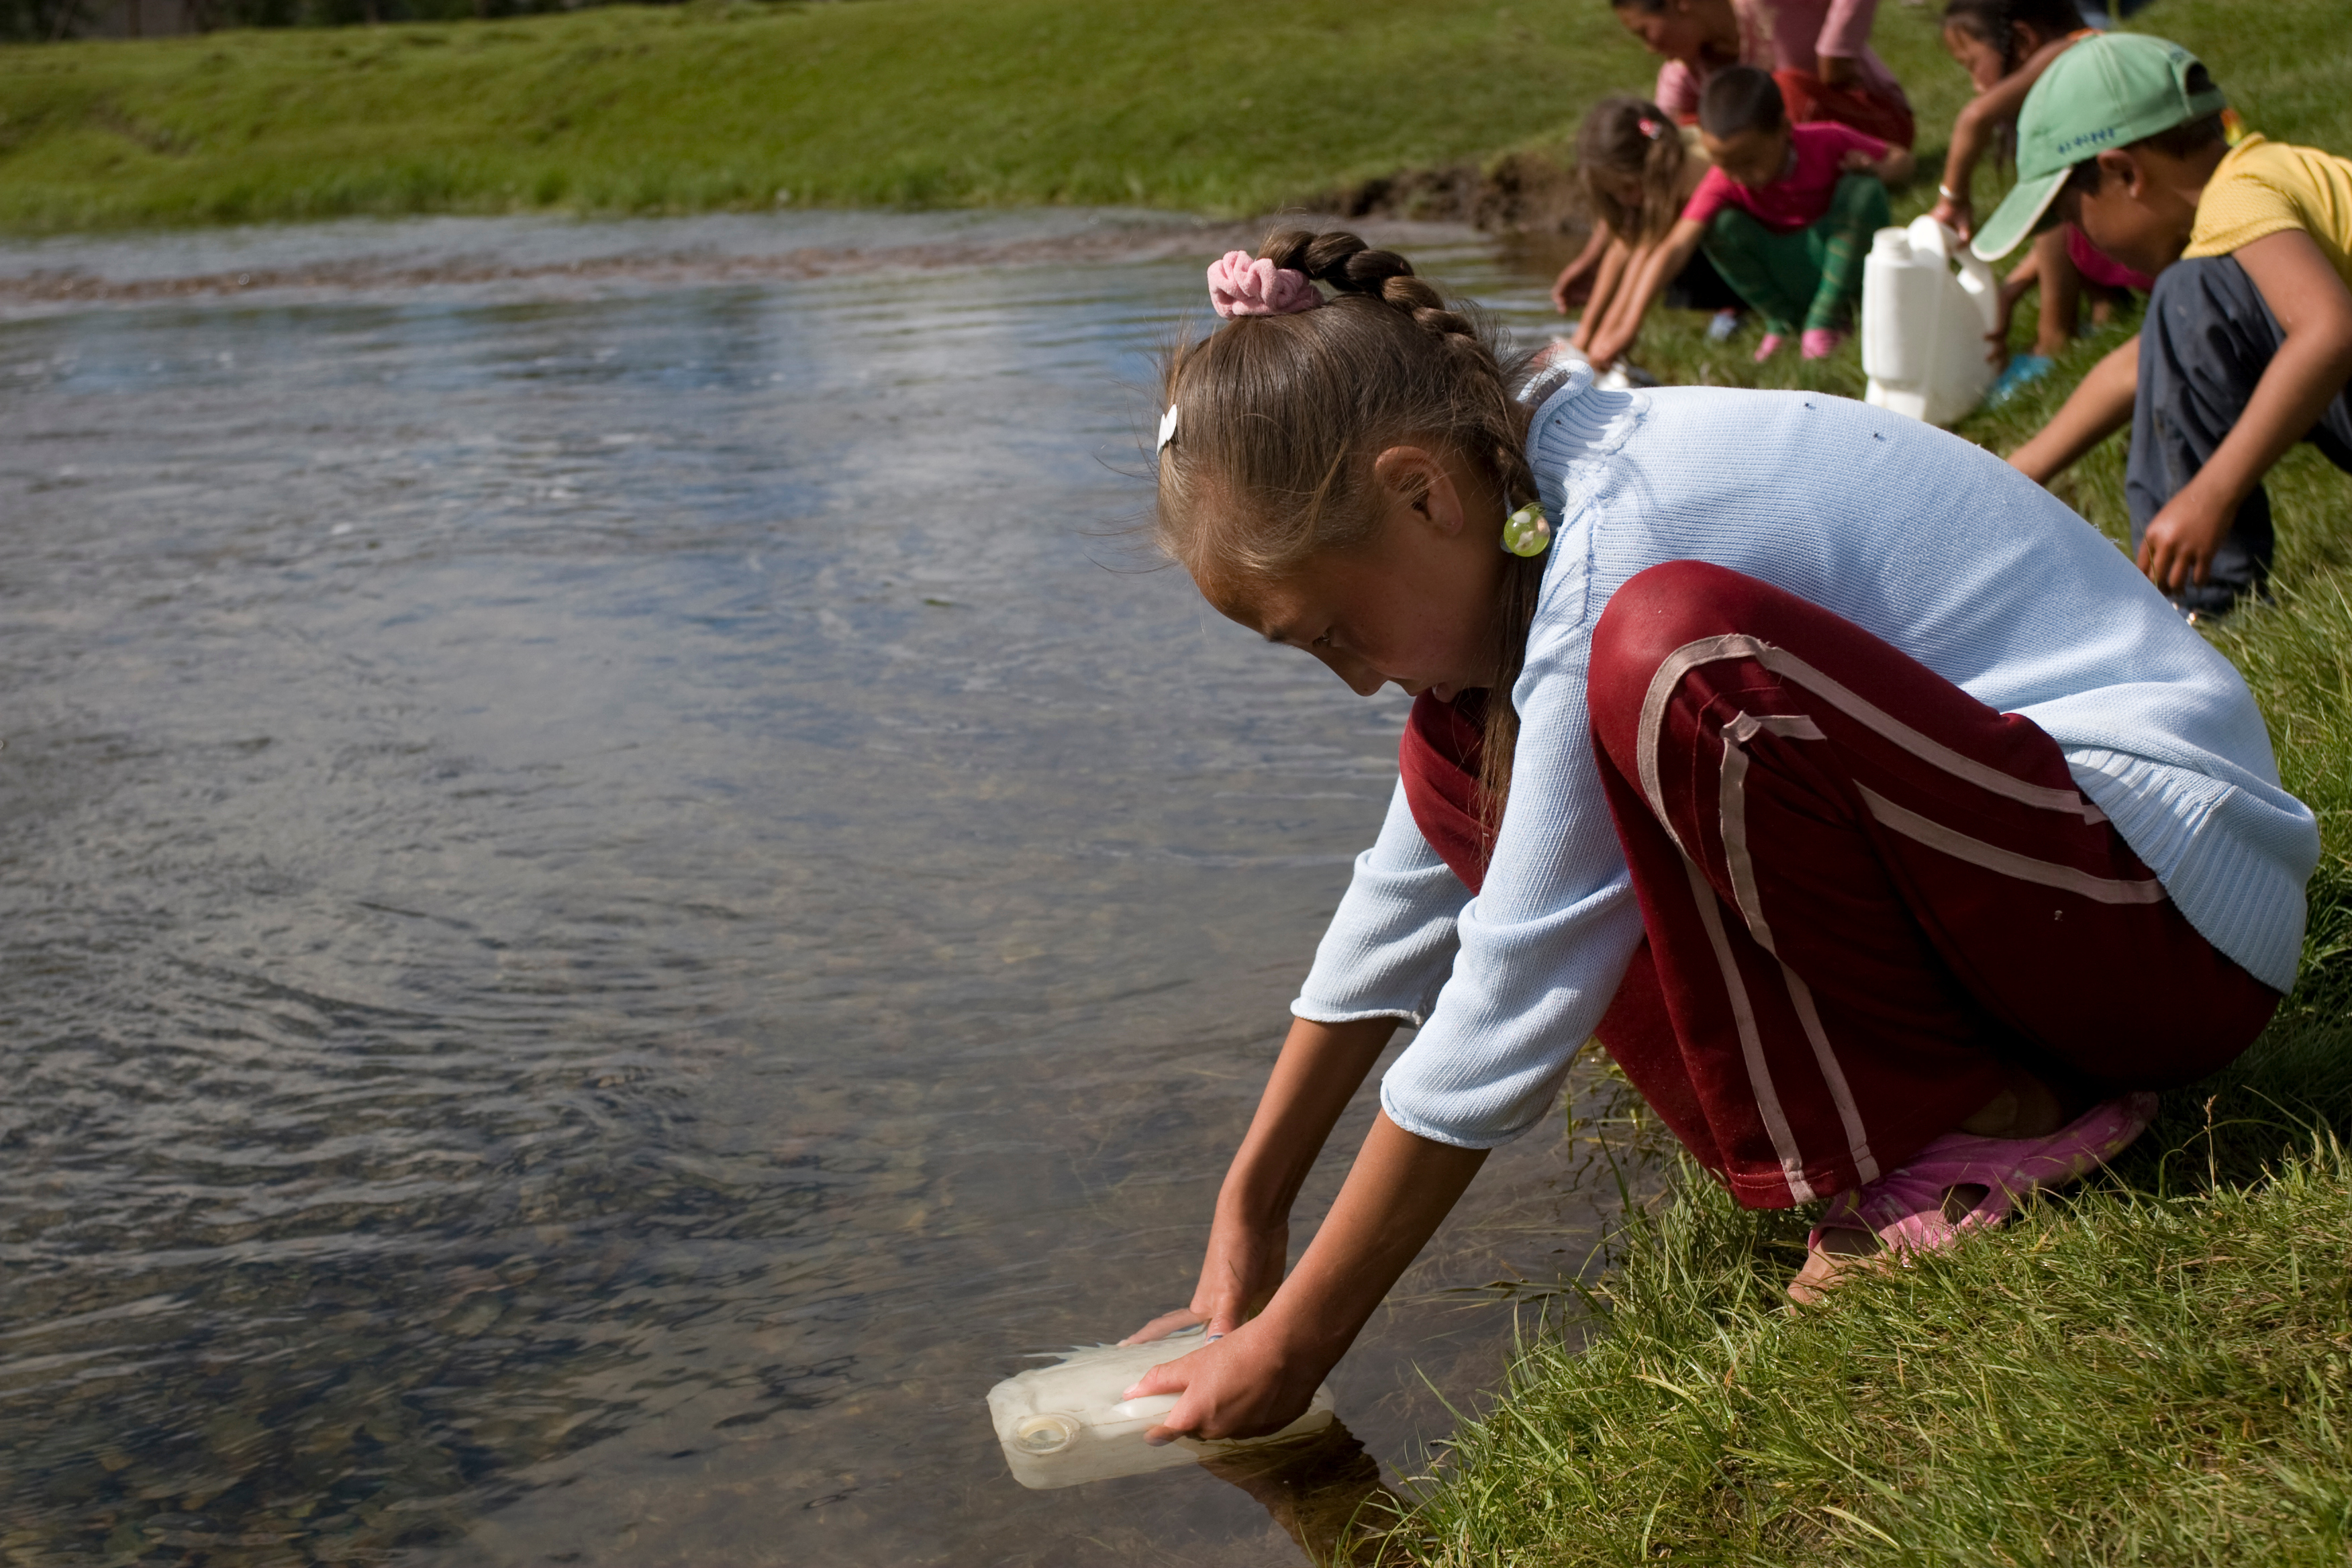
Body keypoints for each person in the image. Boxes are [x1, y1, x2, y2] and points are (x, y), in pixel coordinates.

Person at [1118, 229, 2315, 1444]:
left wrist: (1299, 1340)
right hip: (2046, 900)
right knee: (1453, 760)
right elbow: (1405, 896)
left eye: (1330, 632)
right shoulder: (1520, 500)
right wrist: (1249, 1204)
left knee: (1674, 659)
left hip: (2167, 920)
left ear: (1419, 489)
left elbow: (1511, 981)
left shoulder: (1615, 550)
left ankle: (1989, 1128)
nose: (1353, 682)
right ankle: (1924, 1130)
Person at [1983, 34, 2352, 616]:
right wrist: (2023, 468)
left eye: (2071, 217)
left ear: (2124, 173)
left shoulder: (2238, 200)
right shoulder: (2264, 176)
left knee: (2189, 291)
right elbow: (2148, 360)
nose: (2081, 239)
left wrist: (2212, 493)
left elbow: (2329, 331)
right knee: (2188, 300)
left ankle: (2199, 603)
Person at [1583, 67, 1913, 367]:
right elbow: (1675, 246)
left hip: (1841, 264)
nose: (1738, 175)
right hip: (1788, 269)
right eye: (1724, 163)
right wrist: (1629, 326)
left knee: (1862, 191)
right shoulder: (1724, 179)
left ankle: (1826, 319)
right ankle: (1784, 322)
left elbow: (1903, 159)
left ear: (1784, 129)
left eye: (1749, 161)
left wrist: (1876, 170)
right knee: (1720, 226)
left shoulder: (1827, 140)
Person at [1928, 0, 2153, 403]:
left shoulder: (2072, 50)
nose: (1975, 83)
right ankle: (2105, 308)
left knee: (2058, 188)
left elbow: (1974, 118)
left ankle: (2054, 337)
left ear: (2023, 39)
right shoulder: (2081, 62)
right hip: (2149, 228)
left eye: (1972, 64)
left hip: (2164, 233)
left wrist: (1953, 199)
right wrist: (2012, 290)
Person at [1549, 98, 1741, 362]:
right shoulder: (1659, 151)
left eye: (1628, 188)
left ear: (1651, 168)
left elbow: (1652, 252)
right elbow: (1623, 243)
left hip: (1738, 253)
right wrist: (1584, 334)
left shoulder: (1692, 172)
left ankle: (1735, 310)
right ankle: (1586, 341)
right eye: (1614, 193)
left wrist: (1621, 331)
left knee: (1648, 250)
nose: (1624, 199)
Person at [1612, 0, 1916, 150]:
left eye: (1645, 32)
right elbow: (1661, 137)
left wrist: (1837, 50)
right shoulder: (1684, 73)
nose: (1649, 48)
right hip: (1796, 155)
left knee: (1782, 92)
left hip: (1877, 129)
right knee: (1690, 127)